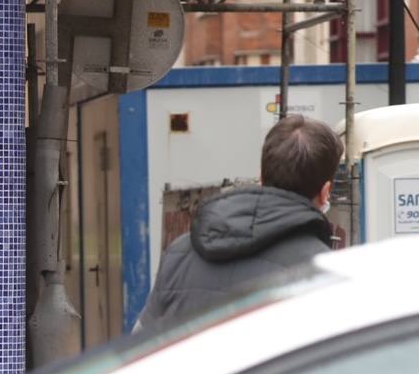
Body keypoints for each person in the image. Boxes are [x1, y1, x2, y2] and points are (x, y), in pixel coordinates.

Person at [136, 115, 342, 330]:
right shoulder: (321, 270)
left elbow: (139, 345)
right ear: (325, 192)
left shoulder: (179, 253)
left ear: (261, 178)